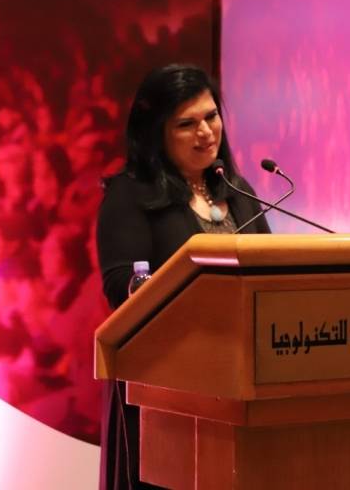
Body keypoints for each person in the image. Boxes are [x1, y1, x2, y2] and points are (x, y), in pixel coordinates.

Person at [96, 64, 271, 489]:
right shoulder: (130, 195)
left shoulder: (238, 192)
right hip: (165, 387)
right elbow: (120, 284)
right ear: (156, 134)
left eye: (211, 117)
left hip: (242, 383)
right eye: (186, 124)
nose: (206, 132)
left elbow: (270, 271)